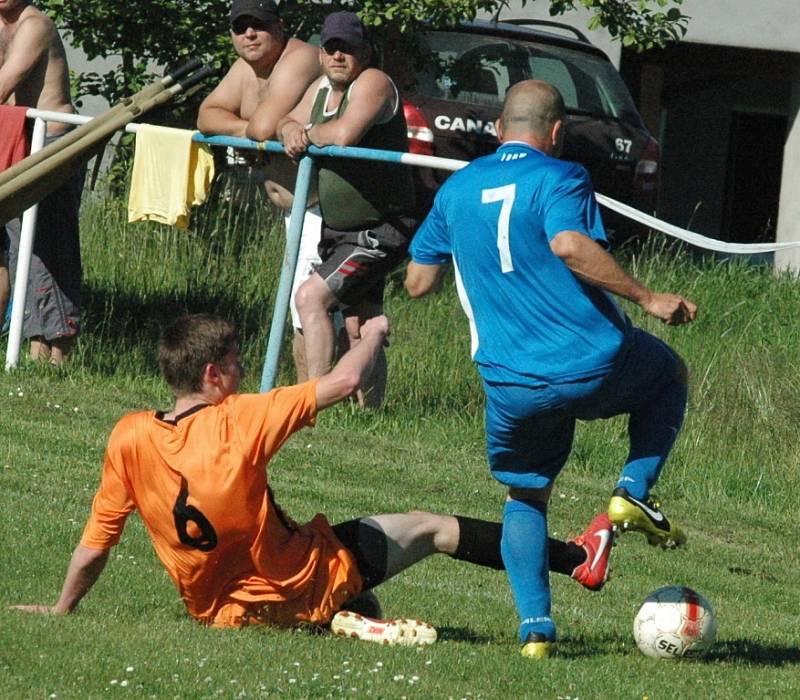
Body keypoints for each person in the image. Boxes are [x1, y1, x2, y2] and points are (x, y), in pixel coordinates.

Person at [13, 312, 613, 644]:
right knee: (431, 528)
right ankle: (574, 558)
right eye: (238, 361)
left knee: (356, 576)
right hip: (297, 579)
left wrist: (64, 608)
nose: (245, 370)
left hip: (218, 612)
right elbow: (347, 382)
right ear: (213, 374)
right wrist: (373, 335)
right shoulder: (240, 418)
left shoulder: (128, 436)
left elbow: (96, 544)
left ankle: (348, 614)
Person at [404, 80, 698, 659]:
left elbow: (417, 283)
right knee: (668, 375)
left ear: (497, 130)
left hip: (512, 382)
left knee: (525, 495)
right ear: (557, 132)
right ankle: (632, 493)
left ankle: (535, 629)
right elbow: (568, 244)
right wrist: (648, 297)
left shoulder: (456, 189)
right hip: (591, 361)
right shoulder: (561, 177)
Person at [277, 11, 417, 408]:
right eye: (331, 48)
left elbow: (343, 134)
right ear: (321, 53)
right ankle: (370, 414)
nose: (338, 56)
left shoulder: (372, 82)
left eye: (348, 48)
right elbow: (284, 120)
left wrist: (304, 135)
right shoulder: (321, 87)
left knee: (309, 299)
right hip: (339, 230)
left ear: (365, 53)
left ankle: (310, 406)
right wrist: (290, 128)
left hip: (379, 228)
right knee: (360, 324)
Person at [197, 0, 324, 381]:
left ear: (280, 27)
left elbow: (265, 126)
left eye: (259, 26)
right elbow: (207, 115)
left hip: (323, 209)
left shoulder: (299, 57)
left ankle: (315, 402)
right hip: (294, 210)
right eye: (241, 27)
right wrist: (248, 134)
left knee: (314, 310)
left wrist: (251, 133)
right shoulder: (245, 69)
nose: (249, 34)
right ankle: (317, 402)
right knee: (307, 310)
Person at [0, 0, 83, 363]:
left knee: (47, 245)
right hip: (20, 141)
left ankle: (56, 351)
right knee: (18, 248)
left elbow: (3, 85)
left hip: (51, 144)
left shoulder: (36, 25)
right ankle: (33, 345)